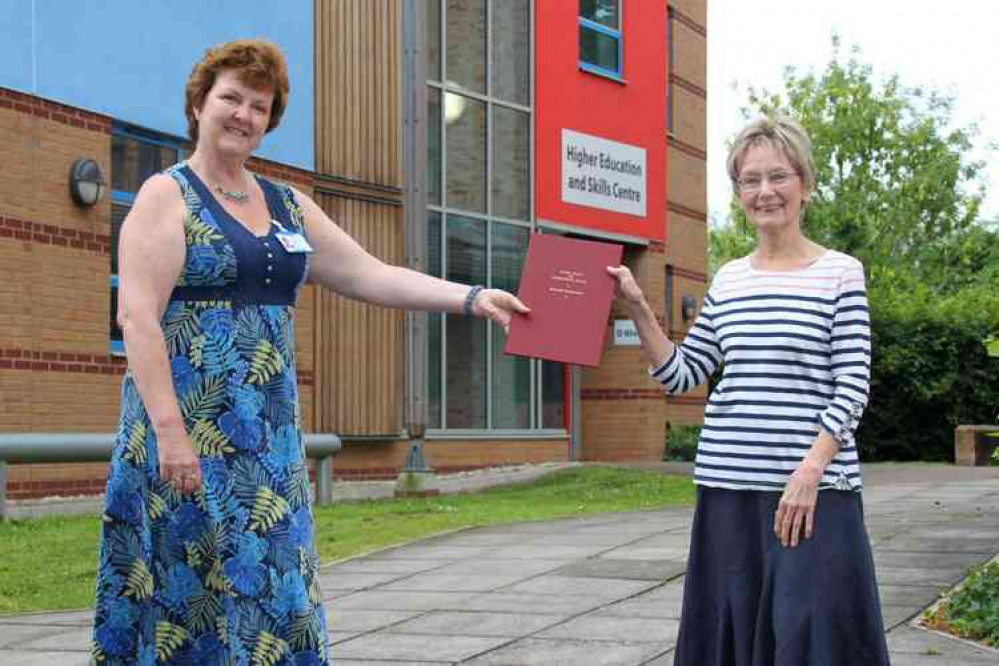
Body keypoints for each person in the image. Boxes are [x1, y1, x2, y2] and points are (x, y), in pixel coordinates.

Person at [90, 39, 527, 665]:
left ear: (270, 122)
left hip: (267, 445)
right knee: (194, 596)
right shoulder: (167, 196)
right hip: (188, 440)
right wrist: (170, 435)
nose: (243, 114)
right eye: (231, 98)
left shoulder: (287, 203)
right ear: (198, 104)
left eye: (259, 106)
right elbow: (137, 319)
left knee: (276, 587)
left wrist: (473, 297)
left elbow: (372, 275)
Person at [608, 115, 890, 665]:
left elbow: (853, 383)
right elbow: (682, 374)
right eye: (750, 180)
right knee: (730, 638)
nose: (765, 192)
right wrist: (640, 308)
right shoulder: (730, 280)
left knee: (810, 632)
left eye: (779, 176)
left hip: (810, 494)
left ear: (805, 185)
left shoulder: (840, 273)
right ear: (739, 193)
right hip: (728, 491)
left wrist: (810, 474)